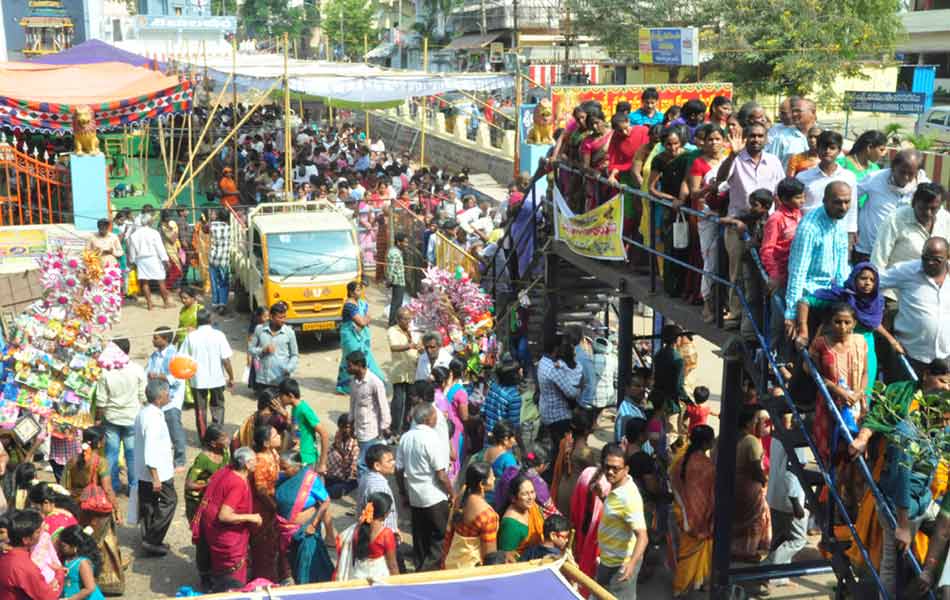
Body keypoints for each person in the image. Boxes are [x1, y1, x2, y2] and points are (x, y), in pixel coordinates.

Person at [796, 263, 901, 397]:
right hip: (838, 349)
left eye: (872, 280)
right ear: (854, 278)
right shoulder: (841, 297)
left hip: (865, 351)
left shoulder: (875, 301)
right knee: (838, 393)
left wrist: (891, 340)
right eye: (863, 278)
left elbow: (874, 324)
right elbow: (804, 301)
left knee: (863, 393)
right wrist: (803, 330)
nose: (868, 283)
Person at [717, 123, 785, 323]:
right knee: (737, 272)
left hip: (766, 225)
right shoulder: (735, 160)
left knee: (763, 272)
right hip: (738, 223)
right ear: (745, 138)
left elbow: (779, 192)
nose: (756, 139)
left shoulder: (773, 161)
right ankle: (736, 316)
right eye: (752, 136)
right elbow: (719, 181)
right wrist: (731, 156)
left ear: (766, 139)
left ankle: (757, 320)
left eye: (760, 136)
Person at [62, 426, 124, 595]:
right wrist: (117, 509)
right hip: (96, 509)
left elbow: (65, 486)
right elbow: (108, 488)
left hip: (77, 507)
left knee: (81, 541)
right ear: (100, 442)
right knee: (104, 542)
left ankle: (81, 579)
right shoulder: (100, 461)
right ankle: (105, 582)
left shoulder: (72, 460)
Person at [783, 181, 852, 329]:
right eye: (838, 202)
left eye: (847, 202)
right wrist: (791, 313)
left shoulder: (839, 220)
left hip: (831, 292)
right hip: (809, 296)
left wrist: (844, 298)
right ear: (825, 201)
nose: (843, 207)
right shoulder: (810, 228)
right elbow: (797, 271)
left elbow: (842, 266)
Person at [192, 447, 261, 590]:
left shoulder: (225, 471)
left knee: (219, 568)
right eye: (255, 460)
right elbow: (224, 515)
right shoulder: (238, 483)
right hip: (225, 534)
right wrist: (251, 517)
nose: (257, 463)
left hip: (211, 527)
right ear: (247, 464)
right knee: (232, 576)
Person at [879, 236, 950, 373]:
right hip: (910, 355)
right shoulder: (907, 271)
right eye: (925, 257)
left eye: (937, 260)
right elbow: (872, 281)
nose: (929, 263)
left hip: (946, 356)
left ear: (947, 257)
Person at [396, 402, 453, 571]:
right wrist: (452, 493)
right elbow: (441, 475)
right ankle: (425, 572)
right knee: (441, 537)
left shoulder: (406, 437)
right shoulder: (432, 438)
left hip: (415, 496)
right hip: (434, 496)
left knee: (420, 539)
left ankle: (419, 568)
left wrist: (403, 492)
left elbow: (398, 470)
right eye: (435, 415)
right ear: (429, 419)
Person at [594, 442, 649, 599]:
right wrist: (602, 497)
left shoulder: (629, 498)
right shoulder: (616, 488)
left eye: (616, 468)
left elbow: (643, 537)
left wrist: (630, 565)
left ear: (626, 470)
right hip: (607, 559)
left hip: (620, 565)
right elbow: (618, 515)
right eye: (607, 467)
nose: (610, 472)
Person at [856, 149, 929, 261]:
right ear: (893, 167)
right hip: (867, 250)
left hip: (899, 256)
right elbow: (851, 196)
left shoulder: (924, 187)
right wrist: (854, 225)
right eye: (902, 172)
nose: (906, 177)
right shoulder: (874, 178)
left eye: (911, 174)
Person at [94, 337, 146, 494]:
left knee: (111, 454)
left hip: (111, 419)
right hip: (131, 418)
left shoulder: (106, 372)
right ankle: (133, 487)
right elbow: (143, 396)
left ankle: (111, 487)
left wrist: (98, 418)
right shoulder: (137, 369)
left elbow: (101, 401)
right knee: (132, 455)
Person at [764, 414, 808, 591]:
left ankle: (779, 577)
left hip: (775, 494)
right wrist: (796, 503)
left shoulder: (777, 437)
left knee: (780, 536)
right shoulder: (796, 444)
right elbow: (791, 474)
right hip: (789, 499)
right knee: (798, 539)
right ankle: (770, 568)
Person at [670, 425, 715, 598]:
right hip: (699, 519)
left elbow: (674, 482)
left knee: (685, 553)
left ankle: (688, 585)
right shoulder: (707, 466)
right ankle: (682, 588)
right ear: (706, 443)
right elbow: (712, 496)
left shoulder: (680, 458)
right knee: (693, 554)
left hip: (682, 514)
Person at [133, 380, 177, 556]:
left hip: (146, 472)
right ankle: (152, 539)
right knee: (170, 501)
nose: (169, 396)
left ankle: (149, 538)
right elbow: (150, 448)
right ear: (160, 397)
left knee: (149, 504)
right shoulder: (152, 418)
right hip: (157, 472)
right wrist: (156, 477)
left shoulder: (145, 413)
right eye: (167, 393)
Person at [871, 182, 950, 279]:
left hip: (930, 289)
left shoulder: (946, 219)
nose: (928, 213)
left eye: (933, 209)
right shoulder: (895, 219)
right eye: (923, 208)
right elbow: (878, 259)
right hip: (895, 288)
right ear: (913, 203)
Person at [275, 461, 335, 584]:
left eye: (285, 467)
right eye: (280, 467)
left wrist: (314, 524)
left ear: (297, 466)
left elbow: (326, 501)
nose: (281, 470)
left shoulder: (310, 479)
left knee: (308, 562)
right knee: (294, 559)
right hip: (286, 530)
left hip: (307, 529)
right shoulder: (281, 478)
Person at [180, 308, 235, 441]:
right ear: (210, 320)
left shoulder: (191, 337)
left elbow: (183, 358)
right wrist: (231, 376)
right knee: (217, 407)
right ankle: (217, 435)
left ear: (197, 321)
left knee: (200, 409)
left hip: (198, 380)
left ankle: (204, 438)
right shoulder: (219, 335)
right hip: (217, 379)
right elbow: (226, 359)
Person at [795, 130, 858, 237]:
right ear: (817, 149)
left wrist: (851, 232)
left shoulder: (848, 177)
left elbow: (852, 207)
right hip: (809, 231)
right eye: (824, 147)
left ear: (839, 151)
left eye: (832, 148)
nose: (827, 151)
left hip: (838, 232)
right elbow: (797, 207)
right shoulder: (803, 177)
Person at [537, 337, 582, 470]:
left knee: (555, 450)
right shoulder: (553, 369)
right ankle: (557, 479)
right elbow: (571, 393)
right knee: (562, 453)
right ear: (556, 349)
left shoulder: (543, 362)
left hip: (547, 412)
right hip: (558, 416)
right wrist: (581, 386)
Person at [732, 408, 771, 562]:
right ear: (748, 423)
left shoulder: (731, 437)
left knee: (739, 519)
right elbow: (755, 467)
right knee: (754, 521)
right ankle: (748, 552)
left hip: (735, 483)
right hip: (750, 486)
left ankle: (736, 550)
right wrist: (764, 481)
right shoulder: (751, 441)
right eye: (756, 421)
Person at [443, 462, 499, 568]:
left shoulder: (461, 496)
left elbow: (450, 531)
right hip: (471, 569)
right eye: (492, 477)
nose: (494, 479)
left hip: (452, 561)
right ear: (482, 484)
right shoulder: (487, 515)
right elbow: (490, 556)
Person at [248, 423, 285, 583]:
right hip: (264, 506)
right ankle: (262, 579)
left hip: (272, 501)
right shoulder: (260, 459)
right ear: (266, 443)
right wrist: (274, 506)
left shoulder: (274, 453)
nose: (279, 437)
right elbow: (261, 489)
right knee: (263, 545)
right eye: (275, 436)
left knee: (272, 543)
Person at [146, 326, 187, 471]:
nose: (153, 340)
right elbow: (148, 371)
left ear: (166, 339)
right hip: (156, 399)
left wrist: (157, 376)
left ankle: (180, 460)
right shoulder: (154, 356)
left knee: (175, 429)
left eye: (156, 337)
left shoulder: (175, 356)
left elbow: (177, 377)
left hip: (171, 399)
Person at [0, 509, 63, 599]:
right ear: (26, 539)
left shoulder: (6, 555)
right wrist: (59, 574)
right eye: (38, 532)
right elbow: (47, 596)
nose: (41, 534)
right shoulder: (24, 566)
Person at [347, 350, 391, 477]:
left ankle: (365, 490)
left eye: (350, 366)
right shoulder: (354, 382)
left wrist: (385, 427)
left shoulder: (375, 382)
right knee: (369, 462)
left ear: (359, 365)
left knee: (363, 463)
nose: (348, 369)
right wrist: (350, 423)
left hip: (371, 430)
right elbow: (352, 403)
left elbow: (384, 406)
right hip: (359, 428)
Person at [336, 281, 385, 394]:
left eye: (360, 289)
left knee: (360, 359)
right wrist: (365, 320)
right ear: (351, 292)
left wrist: (364, 320)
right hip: (350, 338)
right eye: (357, 290)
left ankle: (364, 383)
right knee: (354, 360)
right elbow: (362, 322)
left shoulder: (360, 303)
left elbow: (365, 320)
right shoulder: (349, 306)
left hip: (360, 337)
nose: (360, 292)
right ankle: (352, 385)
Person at [553, 409, 600, 517]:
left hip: (562, 490)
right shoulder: (585, 453)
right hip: (576, 494)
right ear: (587, 430)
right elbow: (594, 476)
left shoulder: (565, 442)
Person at [247, 301, 299, 394]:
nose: (283, 320)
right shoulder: (259, 329)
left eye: (284, 317)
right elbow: (250, 349)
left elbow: (294, 355)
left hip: (281, 380)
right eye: (280, 317)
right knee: (264, 408)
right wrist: (263, 350)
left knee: (279, 407)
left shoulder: (289, 332)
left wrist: (289, 368)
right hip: (263, 380)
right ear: (271, 317)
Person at [278, 378, 329, 471]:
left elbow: (324, 434)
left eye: (281, 395)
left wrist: (322, 463)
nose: (280, 398)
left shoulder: (304, 410)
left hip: (307, 459)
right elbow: (297, 429)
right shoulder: (294, 408)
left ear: (290, 395)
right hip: (299, 457)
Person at [184, 424, 230, 522]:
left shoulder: (224, 452)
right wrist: (208, 484)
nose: (227, 440)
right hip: (196, 499)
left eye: (226, 436)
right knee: (198, 528)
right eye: (223, 438)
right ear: (213, 443)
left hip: (210, 496)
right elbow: (189, 484)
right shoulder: (203, 459)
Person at [433, 360, 469, 481]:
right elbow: (464, 416)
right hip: (455, 431)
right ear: (463, 372)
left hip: (443, 428)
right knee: (455, 463)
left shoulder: (442, 389)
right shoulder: (460, 392)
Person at [356, 444, 400, 542]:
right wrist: (393, 532)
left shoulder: (366, 476)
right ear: (377, 466)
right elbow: (377, 519)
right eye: (389, 461)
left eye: (393, 459)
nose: (394, 462)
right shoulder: (379, 487)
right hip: (381, 538)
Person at [127, 216, 171, 310]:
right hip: (153, 258)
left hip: (141, 260)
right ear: (150, 222)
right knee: (161, 281)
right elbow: (160, 247)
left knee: (144, 282)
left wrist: (132, 261)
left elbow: (132, 250)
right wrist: (165, 259)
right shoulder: (154, 233)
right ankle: (166, 302)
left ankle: (149, 304)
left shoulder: (134, 235)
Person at [498, 473, 545, 559]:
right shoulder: (510, 524)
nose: (530, 497)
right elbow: (507, 557)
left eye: (532, 492)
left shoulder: (533, 507)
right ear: (513, 498)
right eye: (524, 494)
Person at [387, 306, 418, 436]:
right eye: (405, 319)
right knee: (398, 401)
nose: (408, 322)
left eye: (409, 319)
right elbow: (393, 347)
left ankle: (406, 427)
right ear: (398, 319)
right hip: (399, 371)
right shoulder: (392, 331)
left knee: (410, 401)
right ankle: (395, 428)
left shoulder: (411, 330)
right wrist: (409, 346)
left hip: (411, 370)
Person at [838, 129, 886, 208]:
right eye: (881, 149)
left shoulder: (875, 169)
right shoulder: (842, 164)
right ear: (869, 147)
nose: (883, 154)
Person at [56, 525, 105, 600]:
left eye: (63, 546)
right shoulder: (68, 559)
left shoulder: (83, 563)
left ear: (75, 546)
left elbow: (90, 588)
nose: (61, 549)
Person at [767, 97, 817, 168]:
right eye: (793, 111)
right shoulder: (781, 138)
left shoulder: (825, 135)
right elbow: (771, 166)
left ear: (813, 112)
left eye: (798, 111)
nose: (794, 114)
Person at [481, 357, 522, 442]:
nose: (521, 371)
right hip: (502, 442)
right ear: (514, 375)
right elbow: (513, 425)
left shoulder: (493, 387)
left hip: (488, 437)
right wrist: (522, 448)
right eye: (519, 370)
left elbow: (483, 410)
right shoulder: (514, 396)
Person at [652, 324, 689, 417]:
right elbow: (678, 386)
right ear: (676, 339)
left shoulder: (658, 354)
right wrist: (688, 400)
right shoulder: (678, 360)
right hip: (669, 403)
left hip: (655, 398)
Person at [325, 414, 360, 499]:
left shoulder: (355, 443)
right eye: (342, 427)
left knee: (332, 492)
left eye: (347, 427)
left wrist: (347, 478)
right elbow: (335, 447)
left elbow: (354, 466)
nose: (344, 430)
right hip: (336, 472)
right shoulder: (339, 434)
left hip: (348, 477)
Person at [615, 370, 649, 442]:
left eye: (644, 386)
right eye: (637, 386)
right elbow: (622, 444)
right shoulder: (627, 415)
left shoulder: (639, 407)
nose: (642, 389)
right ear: (627, 388)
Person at [208, 209, 231, 313]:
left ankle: (215, 303)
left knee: (214, 282)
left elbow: (206, 227)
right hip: (224, 260)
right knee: (223, 282)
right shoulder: (230, 228)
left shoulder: (212, 227)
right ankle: (222, 303)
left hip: (213, 259)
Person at [160, 210, 184, 290]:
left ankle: (174, 287)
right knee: (174, 271)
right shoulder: (163, 226)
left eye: (170, 216)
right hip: (168, 251)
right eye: (167, 216)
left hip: (176, 249)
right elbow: (172, 239)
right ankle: (167, 287)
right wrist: (175, 231)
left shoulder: (172, 223)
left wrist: (174, 230)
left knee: (178, 270)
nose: (169, 218)